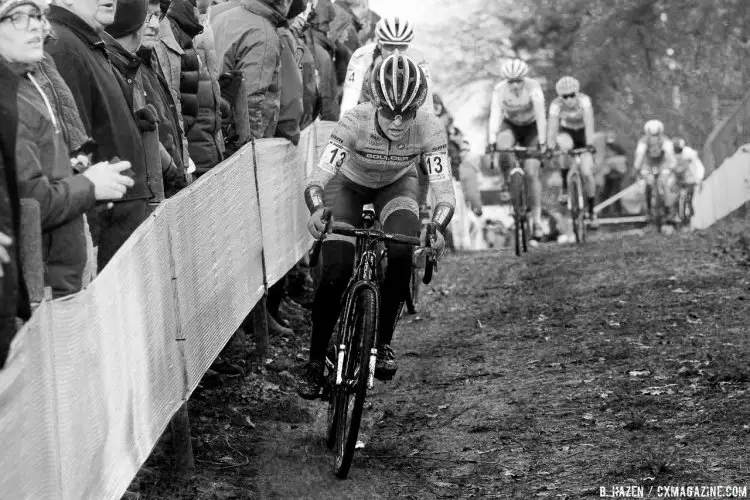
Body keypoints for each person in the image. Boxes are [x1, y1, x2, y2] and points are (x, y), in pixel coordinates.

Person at [296, 54, 455, 399]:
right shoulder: (354, 122)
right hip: (347, 185)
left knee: (401, 251)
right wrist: (316, 209)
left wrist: (437, 227)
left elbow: (444, 192)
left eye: (407, 113)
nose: (398, 122)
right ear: (375, 103)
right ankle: (312, 363)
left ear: (418, 108)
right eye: (389, 112)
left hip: (397, 185)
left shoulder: (429, 127)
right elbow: (317, 180)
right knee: (336, 270)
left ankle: (382, 343)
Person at [3, 0, 135, 297]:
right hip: (37, 288)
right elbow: (29, 202)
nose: (35, 25)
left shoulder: (30, 77)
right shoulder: (8, 100)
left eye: (37, 15)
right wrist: (88, 187)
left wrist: (83, 175)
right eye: (17, 17)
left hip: (61, 271)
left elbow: (47, 165)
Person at [46, 0, 152, 269]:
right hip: (103, 230)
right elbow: (74, 148)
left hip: (120, 223)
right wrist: (90, 235)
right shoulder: (64, 47)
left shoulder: (87, 42)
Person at [486, 58, 547, 240]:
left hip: (532, 128)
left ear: (525, 79)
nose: (515, 85)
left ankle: (536, 222)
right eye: (511, 82)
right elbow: (495, 115)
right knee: (503, 148)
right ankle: (506, 183)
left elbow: (541, 114)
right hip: (510, 125)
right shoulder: (499, 89)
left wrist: (542, 141)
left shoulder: (534, 87)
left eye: (519, 81)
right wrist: (491, 139)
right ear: (506, 81)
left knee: (530, 172)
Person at [338, 15, 434, 117]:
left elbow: (426, 103)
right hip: (368, 111)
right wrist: (345, 123)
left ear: (408, 45)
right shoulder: (362, 56)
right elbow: (351, 95)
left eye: (402, 47)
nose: (396, 53)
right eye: (389, 46)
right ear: (379, 44)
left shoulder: (418, 59)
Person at [547, 76, 598, 227]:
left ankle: (591, 210)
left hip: (583, 134)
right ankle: (564, 187)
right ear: (560, 96)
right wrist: (550, 146)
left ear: (577, 93)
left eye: (572, 95)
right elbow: (552, 127)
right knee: (564, 148)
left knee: (587, 172)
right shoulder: (555, 105)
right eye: (565, 96)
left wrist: (589, 144)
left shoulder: (584, 101)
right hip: (566, 132)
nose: (569, 99)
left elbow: (589, 123)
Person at [633, 119, 676, 218]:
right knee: (649, 182)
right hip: (648, 164)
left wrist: (672, 167)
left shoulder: (665, 140)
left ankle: (667, 207)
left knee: (664, 182)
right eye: (652, 135)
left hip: (662, 163)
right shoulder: (643, 141)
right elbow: (639, 156)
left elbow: (669, 154)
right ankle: (649, 208)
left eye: (656, 135)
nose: (654, 138)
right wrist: (637, 168)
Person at [671, 137, 705, 219]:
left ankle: (689, 211)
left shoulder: (689, 153)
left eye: (679, 150)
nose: (677, 152)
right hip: (677, 178)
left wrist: (699, 178)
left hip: (689, 177)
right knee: (675, 198)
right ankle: (675, 214)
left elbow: (698, 165)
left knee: (688, 197)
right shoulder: (670, 154)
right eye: (676, 150)